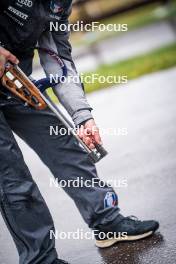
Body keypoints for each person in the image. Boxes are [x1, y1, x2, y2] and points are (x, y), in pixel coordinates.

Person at [0, 1, 159, 264]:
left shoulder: (58, 5)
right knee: (13, 178)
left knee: (66, 146)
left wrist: (82, 116)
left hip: (15, 82)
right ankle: (41, 259)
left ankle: (107, 222)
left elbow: (58, 60)